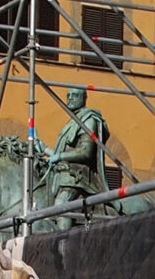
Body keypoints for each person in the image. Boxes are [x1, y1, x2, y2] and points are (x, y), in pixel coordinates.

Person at [46, 88, 109, 229]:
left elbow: (86, 152)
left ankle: (62, 242)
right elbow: (60, 153)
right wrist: (44, 148)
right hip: (63, 175)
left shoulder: (88, 119)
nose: (70, 98)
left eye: (75, 95)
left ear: (84, 98)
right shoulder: (72, 121)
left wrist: (59, 156)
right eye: (68, 95)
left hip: (78, 177)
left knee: (61, 205)